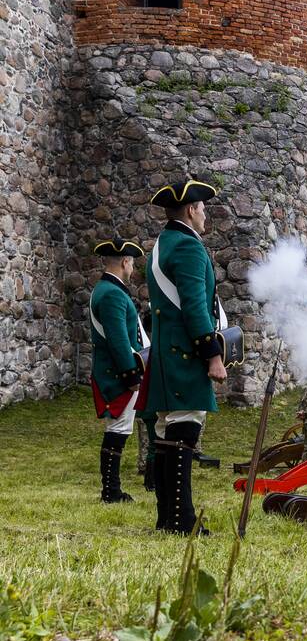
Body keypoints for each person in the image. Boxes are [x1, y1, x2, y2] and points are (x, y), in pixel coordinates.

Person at [141, 179, 227, 535]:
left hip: (166, 352)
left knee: (165, 434)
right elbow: (194, 307)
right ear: (191, 209)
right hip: (184, 353)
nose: (206, 215)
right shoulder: (190, 248)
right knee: (184, 432)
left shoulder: (163, 244)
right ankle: (181, 521)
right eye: (203, 209)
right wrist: (213, 355)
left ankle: (167, 518)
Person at [89, 238, 147, 503]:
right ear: (125, 262)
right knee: (118, 429)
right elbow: (118, 340)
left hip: (116, 372)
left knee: (119, 428)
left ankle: (111, 489)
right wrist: (131, 375)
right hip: (118, 375)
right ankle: (110, 491)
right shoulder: (112, 293)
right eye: (132, 263)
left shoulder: (106, 289)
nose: (132, 268)